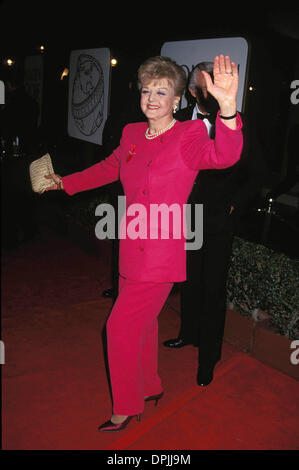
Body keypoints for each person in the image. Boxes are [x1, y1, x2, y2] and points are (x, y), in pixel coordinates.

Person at [44, 55, 243, 432]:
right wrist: (65, 182)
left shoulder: (190, 135)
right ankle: (150, 386)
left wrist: (229, 111)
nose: (151, 98)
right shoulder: (132, 133)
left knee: (118, 329)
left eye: (161, 92)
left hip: (160, 256)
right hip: (130, 247)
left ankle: (126, 405)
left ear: (177, 100)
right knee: (145, 325)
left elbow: (225, 155)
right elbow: (109, 167)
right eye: (147, 90)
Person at [164, 62, 266, 386]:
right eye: (205, 86)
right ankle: (188, 334)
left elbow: (259, 173)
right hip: (185, 219)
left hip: (220, 219)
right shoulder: (178, 122)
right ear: (193, 92)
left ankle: (208, 359)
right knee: (189, 281)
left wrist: (235, 205)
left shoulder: (239, 123)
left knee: (212, 290)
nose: (210, 90)